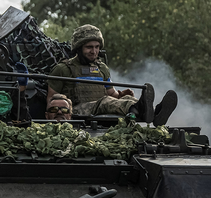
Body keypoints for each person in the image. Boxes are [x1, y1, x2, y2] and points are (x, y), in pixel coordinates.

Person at [47, 24, 177, 126]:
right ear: (78, 48)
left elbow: (112, 95)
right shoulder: (63, 69)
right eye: (89, 47)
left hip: (99, 107)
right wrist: (57, 116)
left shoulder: (101, 68)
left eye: (97, 47)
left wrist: (121, 95)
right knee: (105, 102)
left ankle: (155, 112)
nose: (94, 51)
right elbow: (51, 100)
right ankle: (138, 108)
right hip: (75, 111)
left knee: (128, 100)